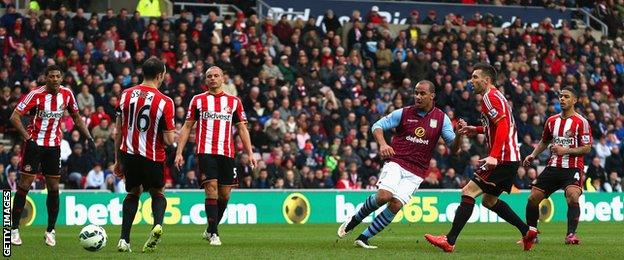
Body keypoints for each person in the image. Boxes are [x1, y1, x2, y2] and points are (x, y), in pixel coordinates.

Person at [425, 62, 538, 252]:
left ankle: (449, 241)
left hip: (502, 158)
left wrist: (493, 156)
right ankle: (527, 232)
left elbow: (503, 125)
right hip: (510, 158)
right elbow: (497, 125)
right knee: (488, 201)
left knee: (468, 192)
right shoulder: (496, 97)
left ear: (486, 80)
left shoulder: (489, 97)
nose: (472, 81)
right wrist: (475, 129)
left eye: (475, 77)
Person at [337, 80, 461, 249]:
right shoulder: (403, 113)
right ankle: (354, 220)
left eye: (422, 93)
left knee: (395, 205)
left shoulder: (441, 119)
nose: (418, 96)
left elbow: (453, 149)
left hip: (417, 171)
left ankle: (363, 238)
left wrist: (459, 136)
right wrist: (383, 144)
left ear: (432, 96)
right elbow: (377, 126)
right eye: (416, 92)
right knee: (383, 196)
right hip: (397, 161)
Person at [10, 64, 94, 246]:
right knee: (24, 185)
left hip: (53, 147)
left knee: (54, 188)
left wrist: (88, 137)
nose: (55, 79)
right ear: (45, 78)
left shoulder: (67, 94)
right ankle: (14, 229)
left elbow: (77, 118)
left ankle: (50, 231)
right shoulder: (36, 94)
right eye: (51, 76)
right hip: (35, 145)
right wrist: (28, 139)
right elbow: (14, 117)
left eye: (58, 76)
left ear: (62, 78)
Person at [175, 66, 256, 246]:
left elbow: (242, 128)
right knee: (211, 187)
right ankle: (214, 234)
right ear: (205, 81)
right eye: (209, 76)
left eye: (216, 76)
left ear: (223, 79)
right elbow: (187, 126)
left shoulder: (234, 102)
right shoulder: (197, 100)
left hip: (227, 152)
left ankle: (210, 228)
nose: (213, 79)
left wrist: (250, 153)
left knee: (225, 195)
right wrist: (179, 152)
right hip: (206, 151)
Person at [113, 57, 175, 253]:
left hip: (129, 154)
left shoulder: (125, 95)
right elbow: (168, 140)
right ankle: (157, 224)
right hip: (153, 156)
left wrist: (117, 160)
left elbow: (118, 132)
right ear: (159, 75)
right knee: (157, 193)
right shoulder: (165, 101)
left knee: (133, 193)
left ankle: (124, 239)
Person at [523, 87, 592, 245]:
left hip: (572, 167)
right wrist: (533, 155)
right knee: (533, 198)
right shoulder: (551, 121)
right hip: (553, 167)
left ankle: (570, 235)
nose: (562, 99)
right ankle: (532, 233)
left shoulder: (581, 122)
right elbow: (545, 141)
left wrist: (565, 150)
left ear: (574, 100)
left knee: (573, 196)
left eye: (566, 97)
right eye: (560, 96)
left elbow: (587, 147)